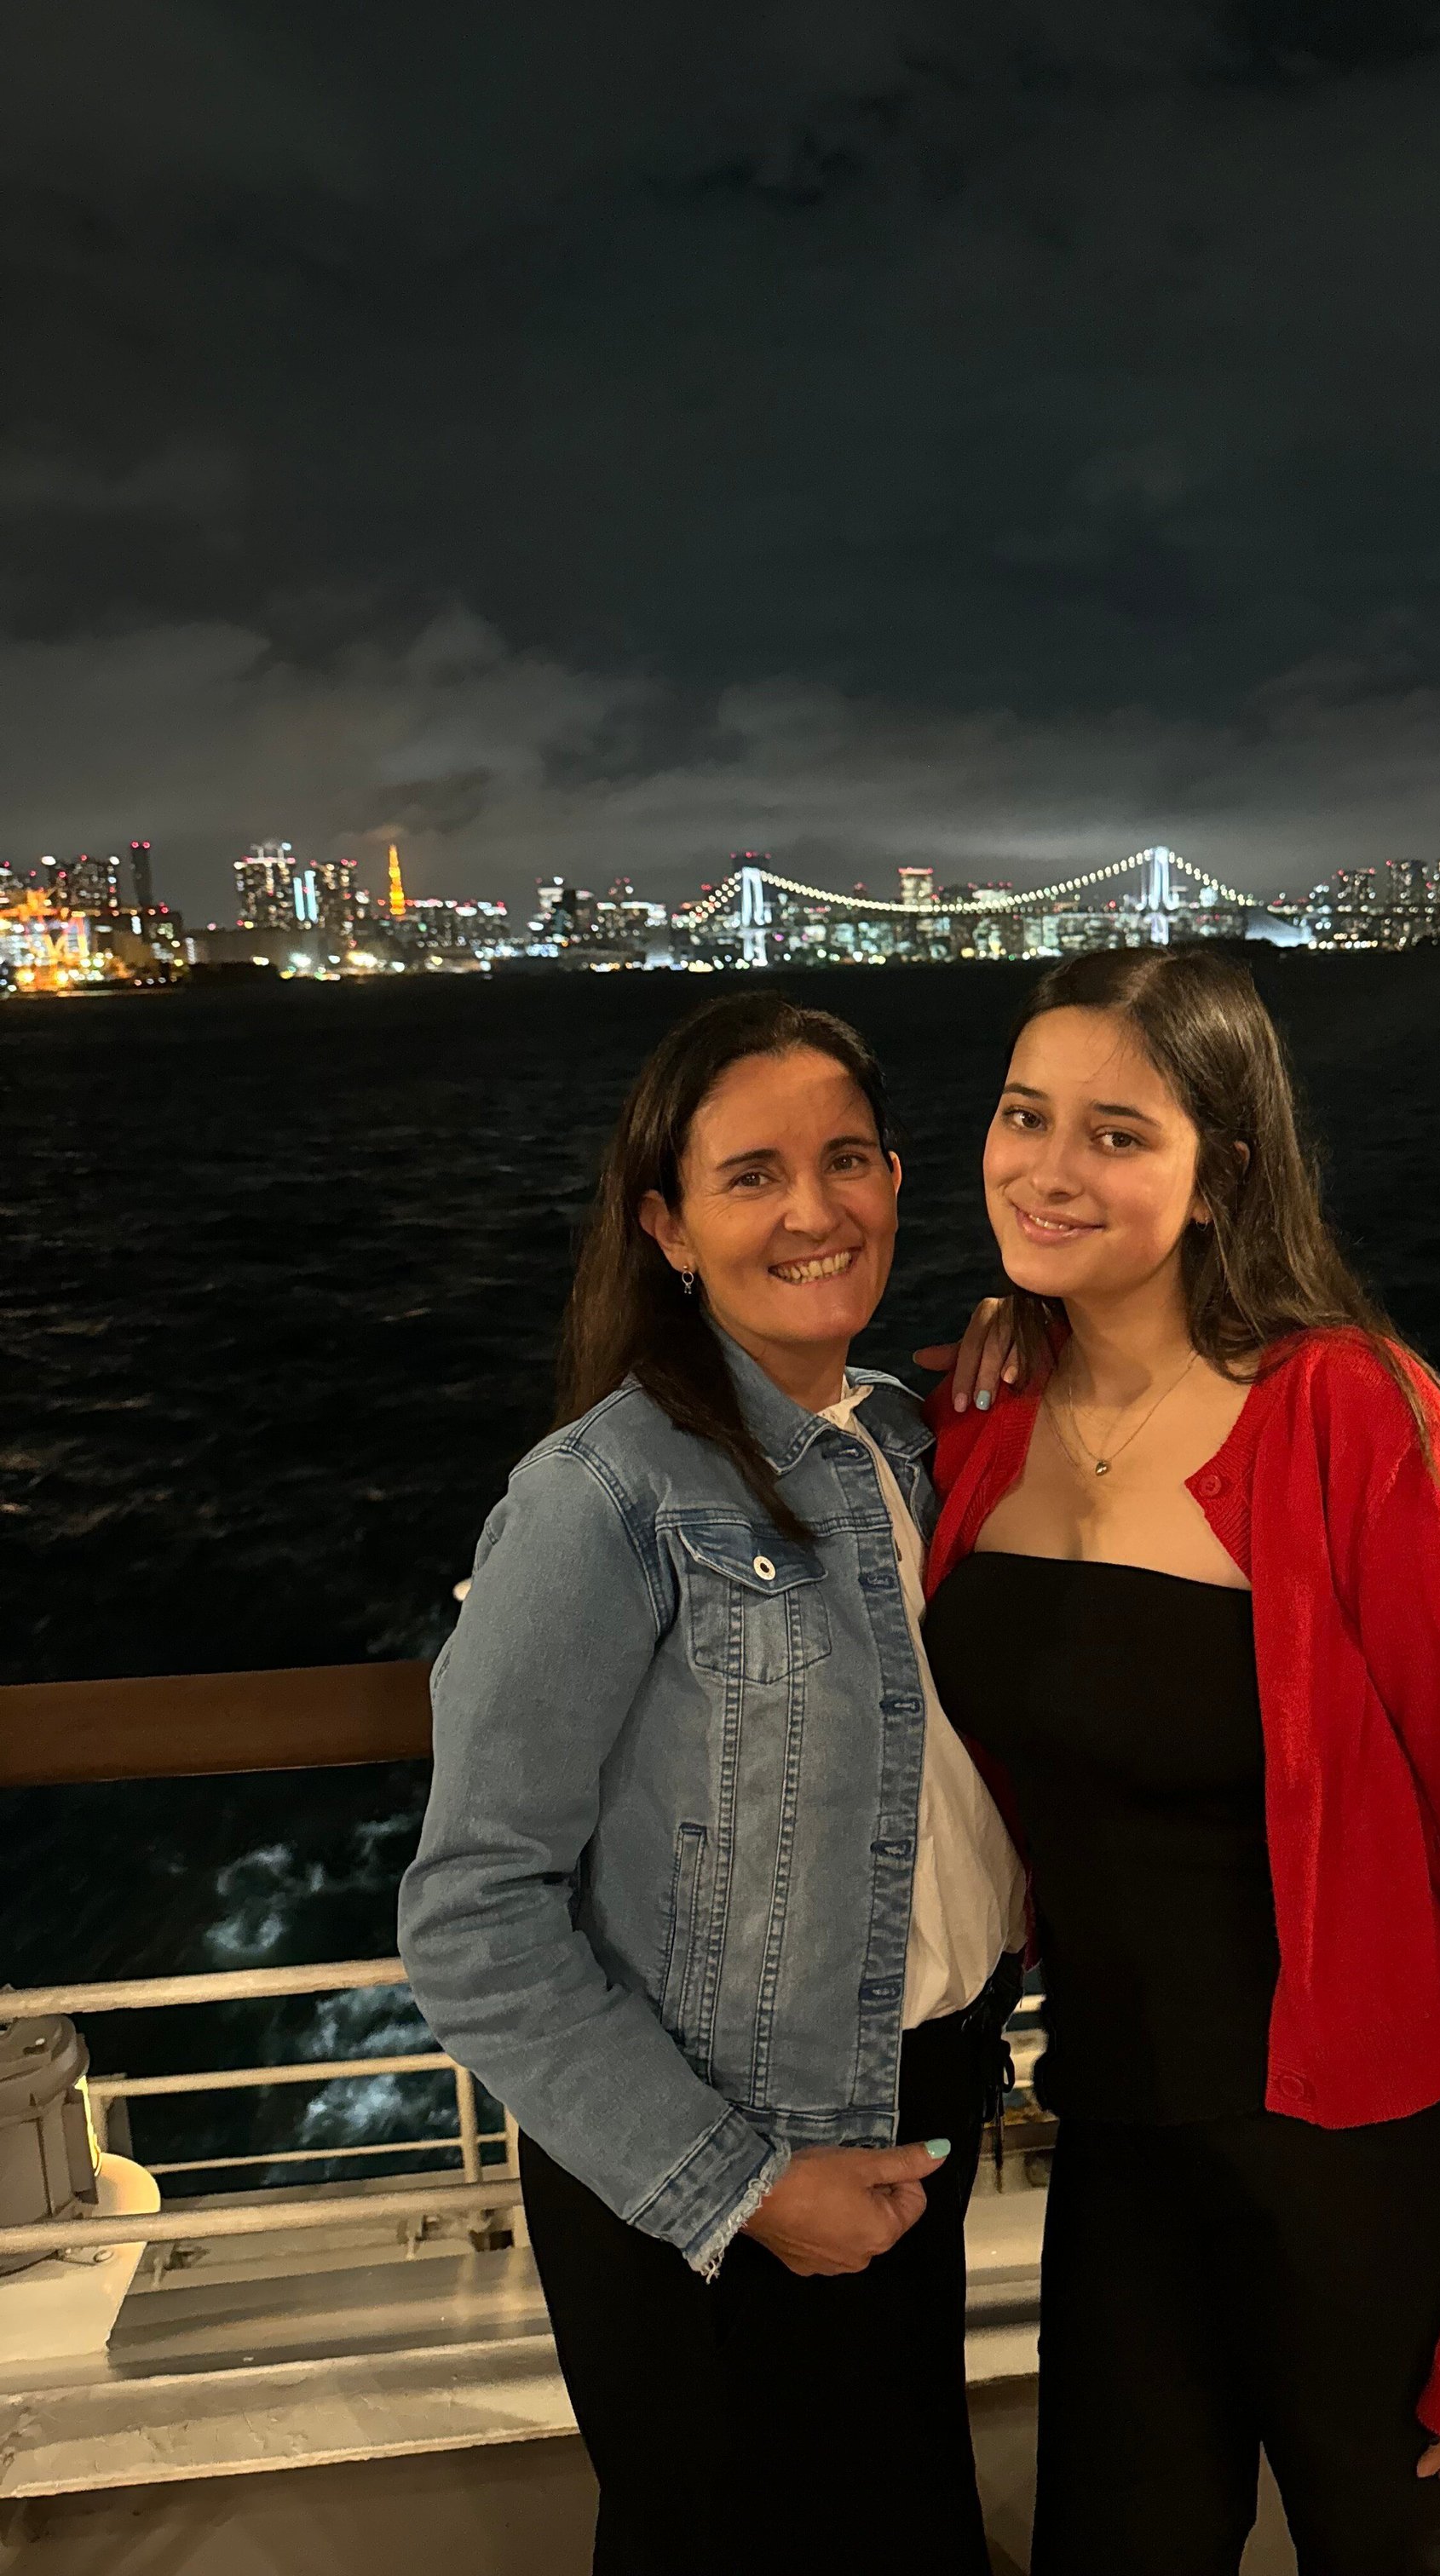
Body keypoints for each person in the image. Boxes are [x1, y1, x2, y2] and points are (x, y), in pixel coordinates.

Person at [917, 946, 1440, 2576]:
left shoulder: (1357, 1424)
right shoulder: (981, 1421)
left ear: (1222, 1172)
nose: (1049, 1166)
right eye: (1025, 1116)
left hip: (1357, 2166)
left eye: (1118, 1133)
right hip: (1121, 2139)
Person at [398, 991, 1025, 2576]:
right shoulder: (599, 1498)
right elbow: (477, 1918)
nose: (815, 1210)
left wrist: (1047, 1340)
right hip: (725, 2165)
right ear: (667, 1227)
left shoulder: (900, 1433)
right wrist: (740, 2187)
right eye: (753, 1177)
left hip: (920, 2109)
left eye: (850, 1159)